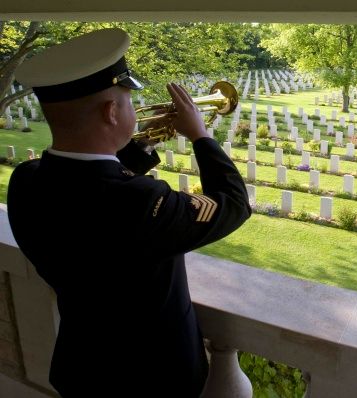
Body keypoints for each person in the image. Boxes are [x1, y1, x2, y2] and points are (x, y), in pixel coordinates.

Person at [8, 28, 251, 397]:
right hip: (152, 377)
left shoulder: (26, 181)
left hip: (83, 366)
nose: (133, 109)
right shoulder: (141, 202)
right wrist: (201, 137)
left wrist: (131, 146)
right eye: (127, 101)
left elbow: (88, 187)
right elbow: (233, 204)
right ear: (110, 111)